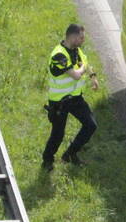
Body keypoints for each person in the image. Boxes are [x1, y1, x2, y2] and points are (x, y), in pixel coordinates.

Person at [42, 23, 99, 170]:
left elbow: (86, 62)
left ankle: (70, 154)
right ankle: (47, 160)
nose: (83, 40)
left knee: (91, 125)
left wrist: (93, 76)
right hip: (59, 102)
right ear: (72, 37)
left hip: (75, 98)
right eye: (81, 38)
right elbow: (76, 75)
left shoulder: (77, 50)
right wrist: (82, 68)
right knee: (58, 134)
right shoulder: (59, 55)